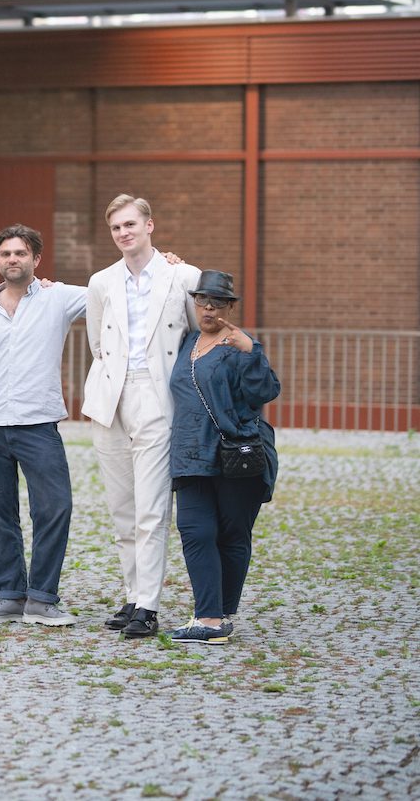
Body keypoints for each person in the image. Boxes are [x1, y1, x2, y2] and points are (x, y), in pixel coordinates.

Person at [0, 224, 86, 627]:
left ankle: (41, 598)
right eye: (5, 253)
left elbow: (114, 292)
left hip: (37, 423)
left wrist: (165, 264)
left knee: (54, 508)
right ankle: (9, 595)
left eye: (20, 253)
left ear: (36, 259)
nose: (12, 259)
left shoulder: (58, 299)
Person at [84, 194, 202, 639]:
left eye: (131, 224)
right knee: (122, 508)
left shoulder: (182, 275)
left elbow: (197, 334)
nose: (124, 233)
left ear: (150, 226)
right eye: (116, 227)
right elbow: (98, 342)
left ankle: (149, 606)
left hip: (158, 397)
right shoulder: (101, 282)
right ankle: (133, 594)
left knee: (152, 507)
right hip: (111, 397)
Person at [168, 270, 280, 645]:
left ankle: (219, 613)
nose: (210, 308)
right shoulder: (186, 341)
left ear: (230, 306)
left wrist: (251, 351)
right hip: (189, 453)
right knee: (195, 531)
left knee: (232, 535)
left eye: (218, 302)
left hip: (236, 456)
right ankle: (209, 617)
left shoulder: (240, 345)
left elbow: (266, 390)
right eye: (203, 300)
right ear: (195, 303)